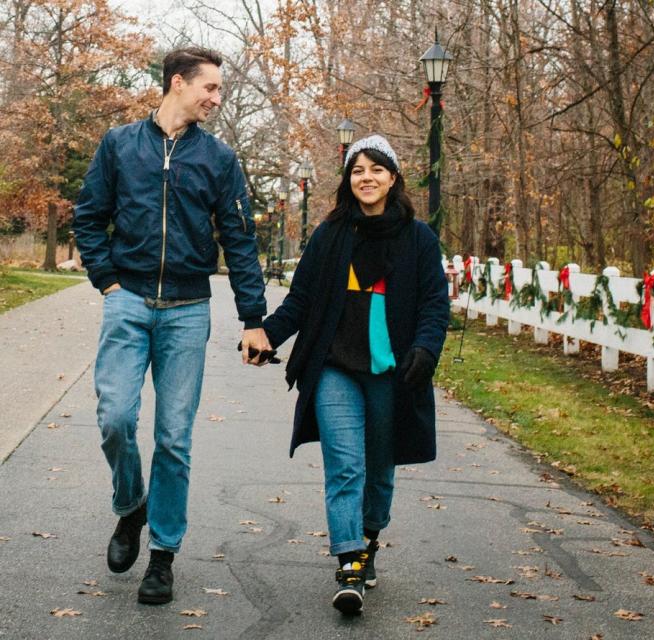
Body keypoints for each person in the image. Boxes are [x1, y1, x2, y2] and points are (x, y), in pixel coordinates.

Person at [72, 47, 272, 605]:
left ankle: (162, 556)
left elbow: (240, 240)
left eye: (220, 92)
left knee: (173, 438)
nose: (215, 99)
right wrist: (107, 280)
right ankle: (130, 504)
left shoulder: (219, 159)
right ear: (178, 83)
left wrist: (254, 318)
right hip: (128, 301)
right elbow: (88, 216)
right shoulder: (119, 145)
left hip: (186, 309)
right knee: (114, 417)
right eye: (210, 88)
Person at [261, 134, 449, 615]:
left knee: (379, 470)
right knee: (345, 465)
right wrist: (268, 335)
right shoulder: (330, 235)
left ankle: (368, 541)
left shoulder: (418, 237)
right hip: (334, 367)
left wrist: (426, 349)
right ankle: (348, 563)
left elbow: (434, 304)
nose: (366, 178)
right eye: (357, 170)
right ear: (348, 179)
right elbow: (301, 299)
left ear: (393, 177)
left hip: (390, 371)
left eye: (376, 169)